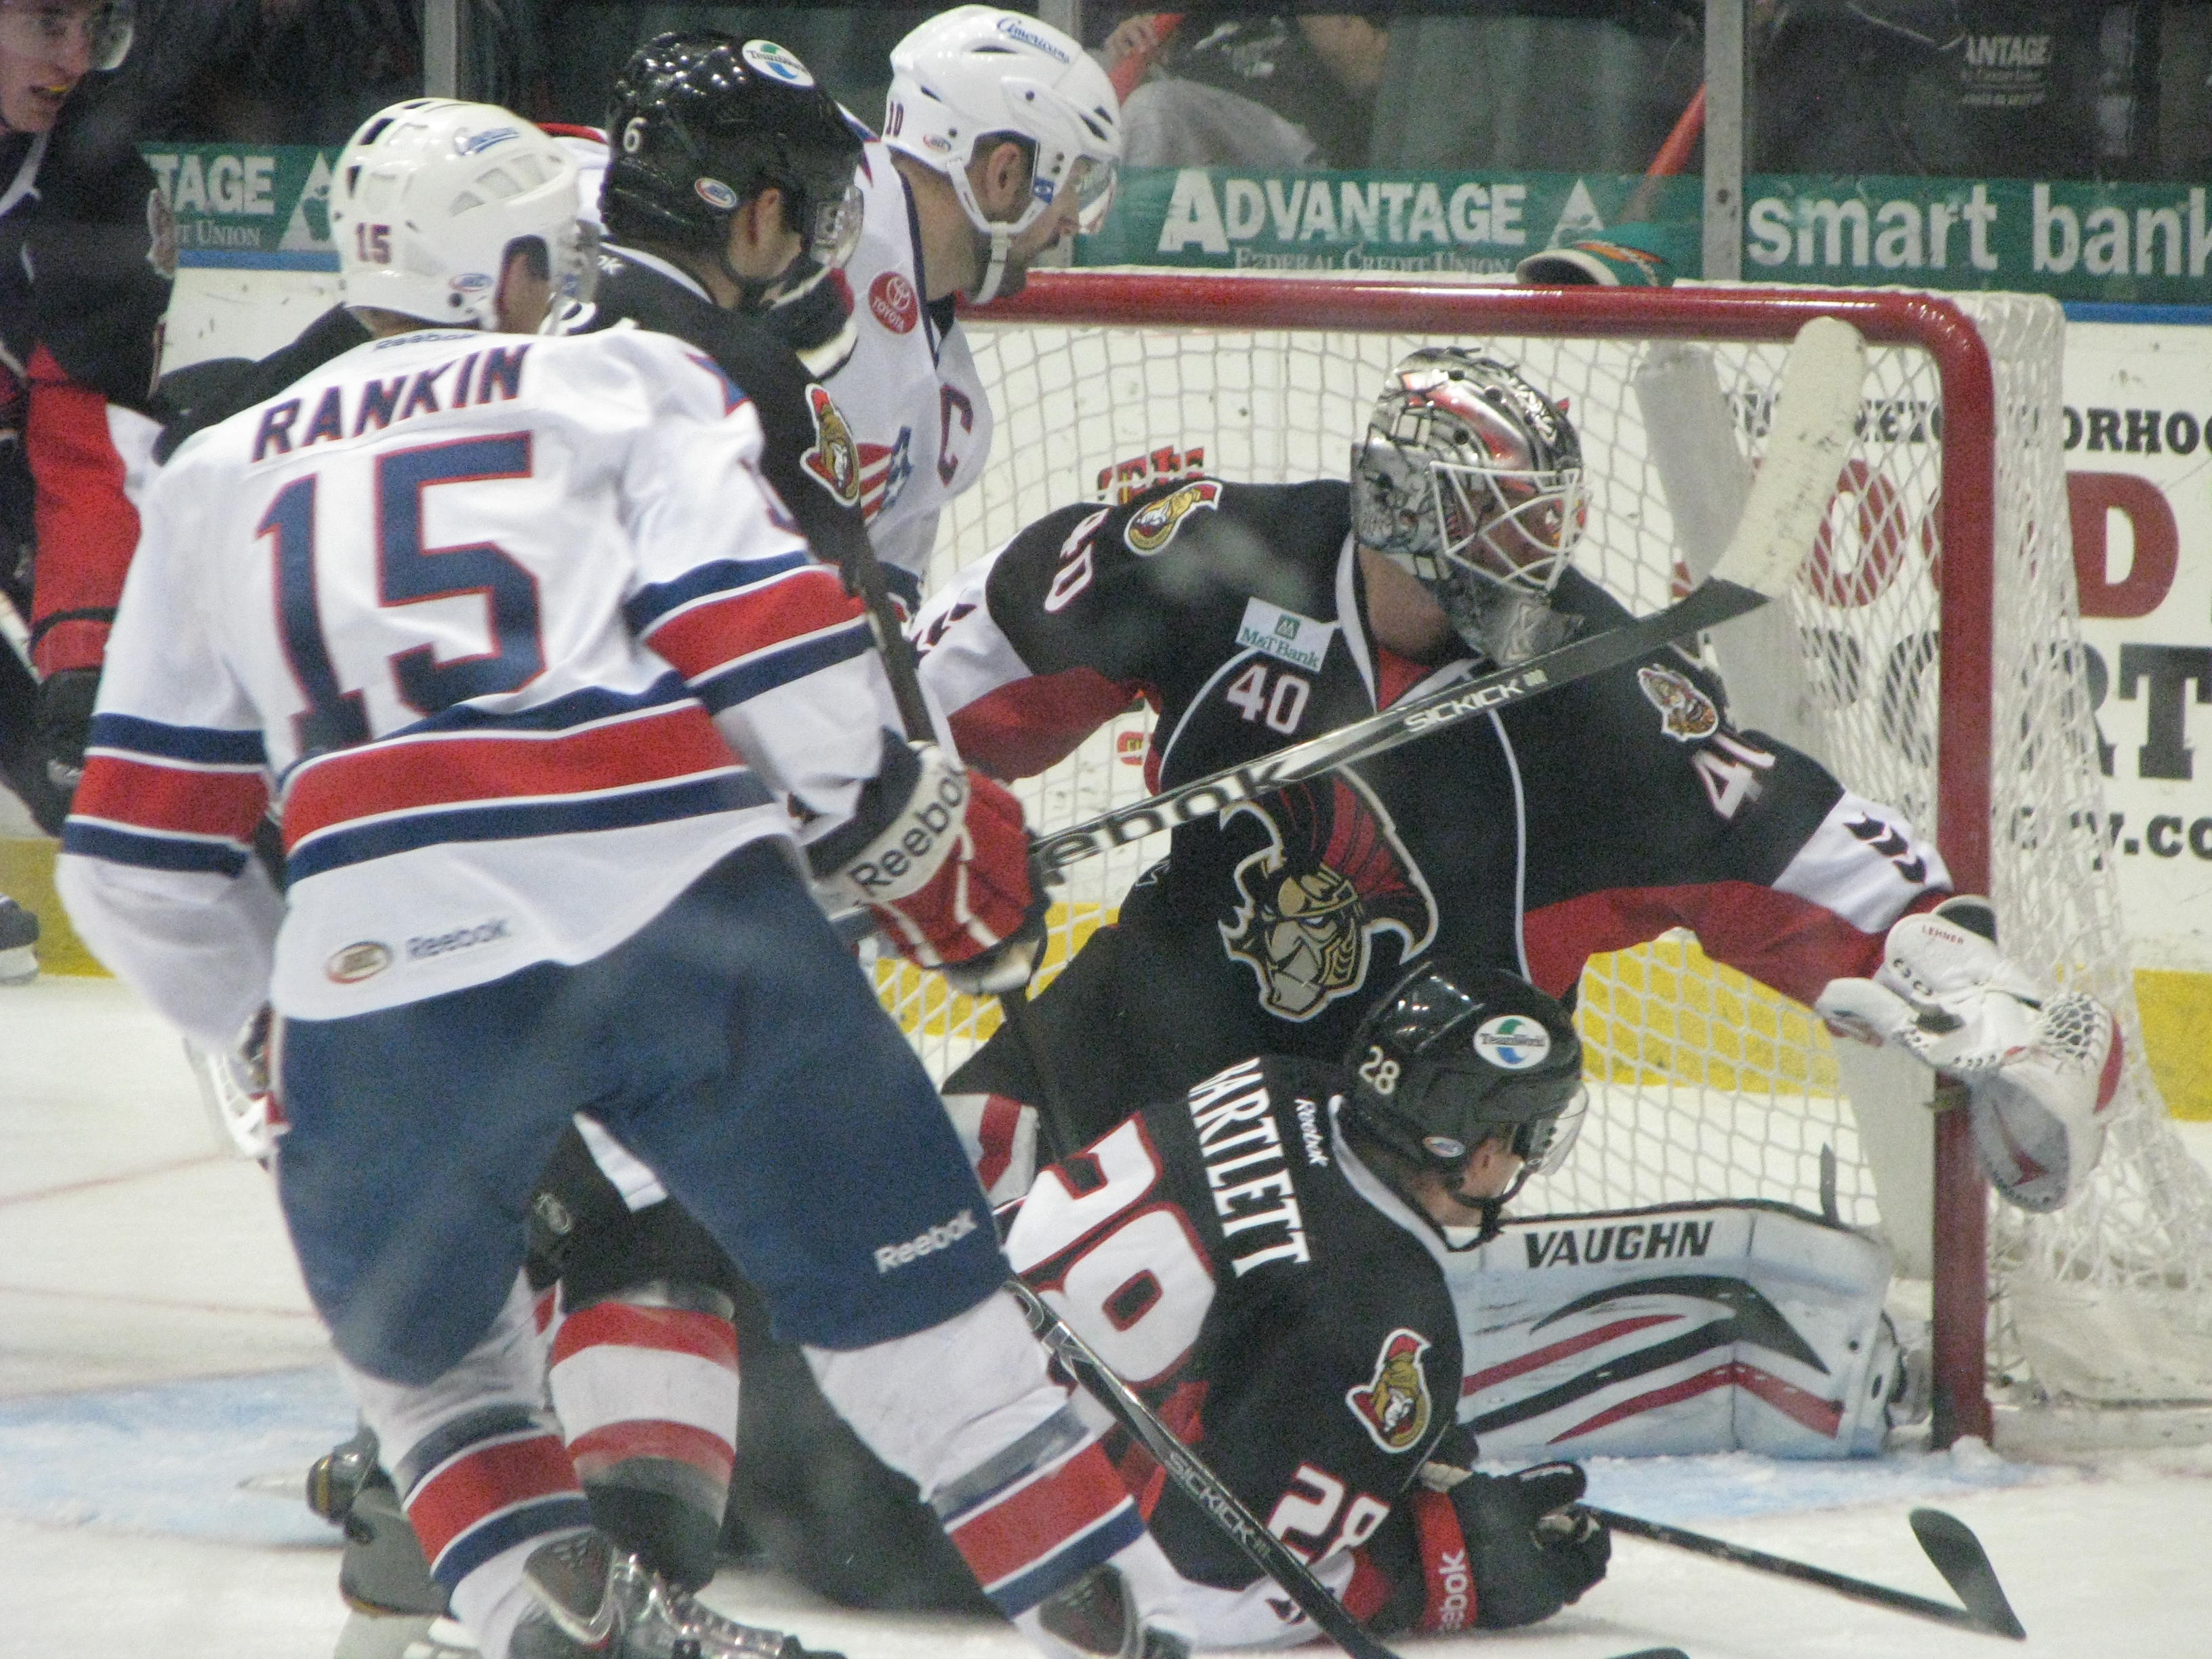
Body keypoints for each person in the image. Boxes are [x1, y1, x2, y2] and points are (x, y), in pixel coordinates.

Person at [56, 98, 1201, 1659]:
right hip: (687, 921)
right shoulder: (617, 376)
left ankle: (543, 1579)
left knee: (442, 1374)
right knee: (927, 1323)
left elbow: (132, 858)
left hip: (383, 978)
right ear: (519, 265)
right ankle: (1091, 1591)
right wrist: (903, 827)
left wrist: (271, 1020)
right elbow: (774, 638)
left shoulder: (218, 471)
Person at [913, 346, 2125, 1221]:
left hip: (1386, 1116)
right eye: (1490, 531)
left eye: (1534, 528)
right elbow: (989, 654)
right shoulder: (1219, 558)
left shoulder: (1593, 695)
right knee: (914, 1215)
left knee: (1175, 1354)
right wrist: (868, 777)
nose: (1526, 565)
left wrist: (1974, 993)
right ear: (1393, 509)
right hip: (1151, 1008)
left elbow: (1779, 833)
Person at [1005, 956, 1613, 1645]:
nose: (1526, 1164)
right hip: (937, 1531)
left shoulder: (1279, 1081)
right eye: (1527, 1135)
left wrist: (1365, 1445)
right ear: (1480, 1150)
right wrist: (1436, 1571)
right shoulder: (1383, 1317)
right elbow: (1190, 1589)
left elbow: (1253, 1299)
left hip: (905, 1374)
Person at [827, 3, 1120, 603]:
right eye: (1075, 183)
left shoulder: (954, 407)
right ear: (1007, 173)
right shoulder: (808, 208)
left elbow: (883, 616)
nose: (1073, 219)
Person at [0, 0, 165, 979]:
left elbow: (84, 447)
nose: (74, 58)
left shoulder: (93, 177)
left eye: (93, 28)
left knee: (88, 735)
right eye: (48, 21)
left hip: (21, 455)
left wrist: (83, 656)